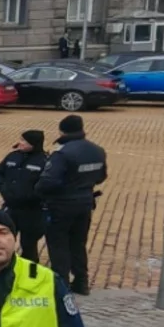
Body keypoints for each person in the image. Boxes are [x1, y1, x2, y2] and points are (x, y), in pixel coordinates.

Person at [38, 114, 108, 295]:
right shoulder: (97, 150)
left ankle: (61, 284)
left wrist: (38, 190)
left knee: (58, 243)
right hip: (85, 203)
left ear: (62, 130)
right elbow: (101, 177)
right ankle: (81, 282)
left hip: (61, 205)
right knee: (78, 243)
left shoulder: (62, 153)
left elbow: (49, 182)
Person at [0, 130, 48, 262]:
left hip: (32, 211)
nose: (20, 143)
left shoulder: (44, 161)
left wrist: (32, 196)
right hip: (11, 208)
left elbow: (46, 184)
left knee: (29, 245)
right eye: (21, 140)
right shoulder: (12, 156)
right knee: (3, 241)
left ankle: (30, 273)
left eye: (24, 141)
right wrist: (2, 188)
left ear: (34, 144)